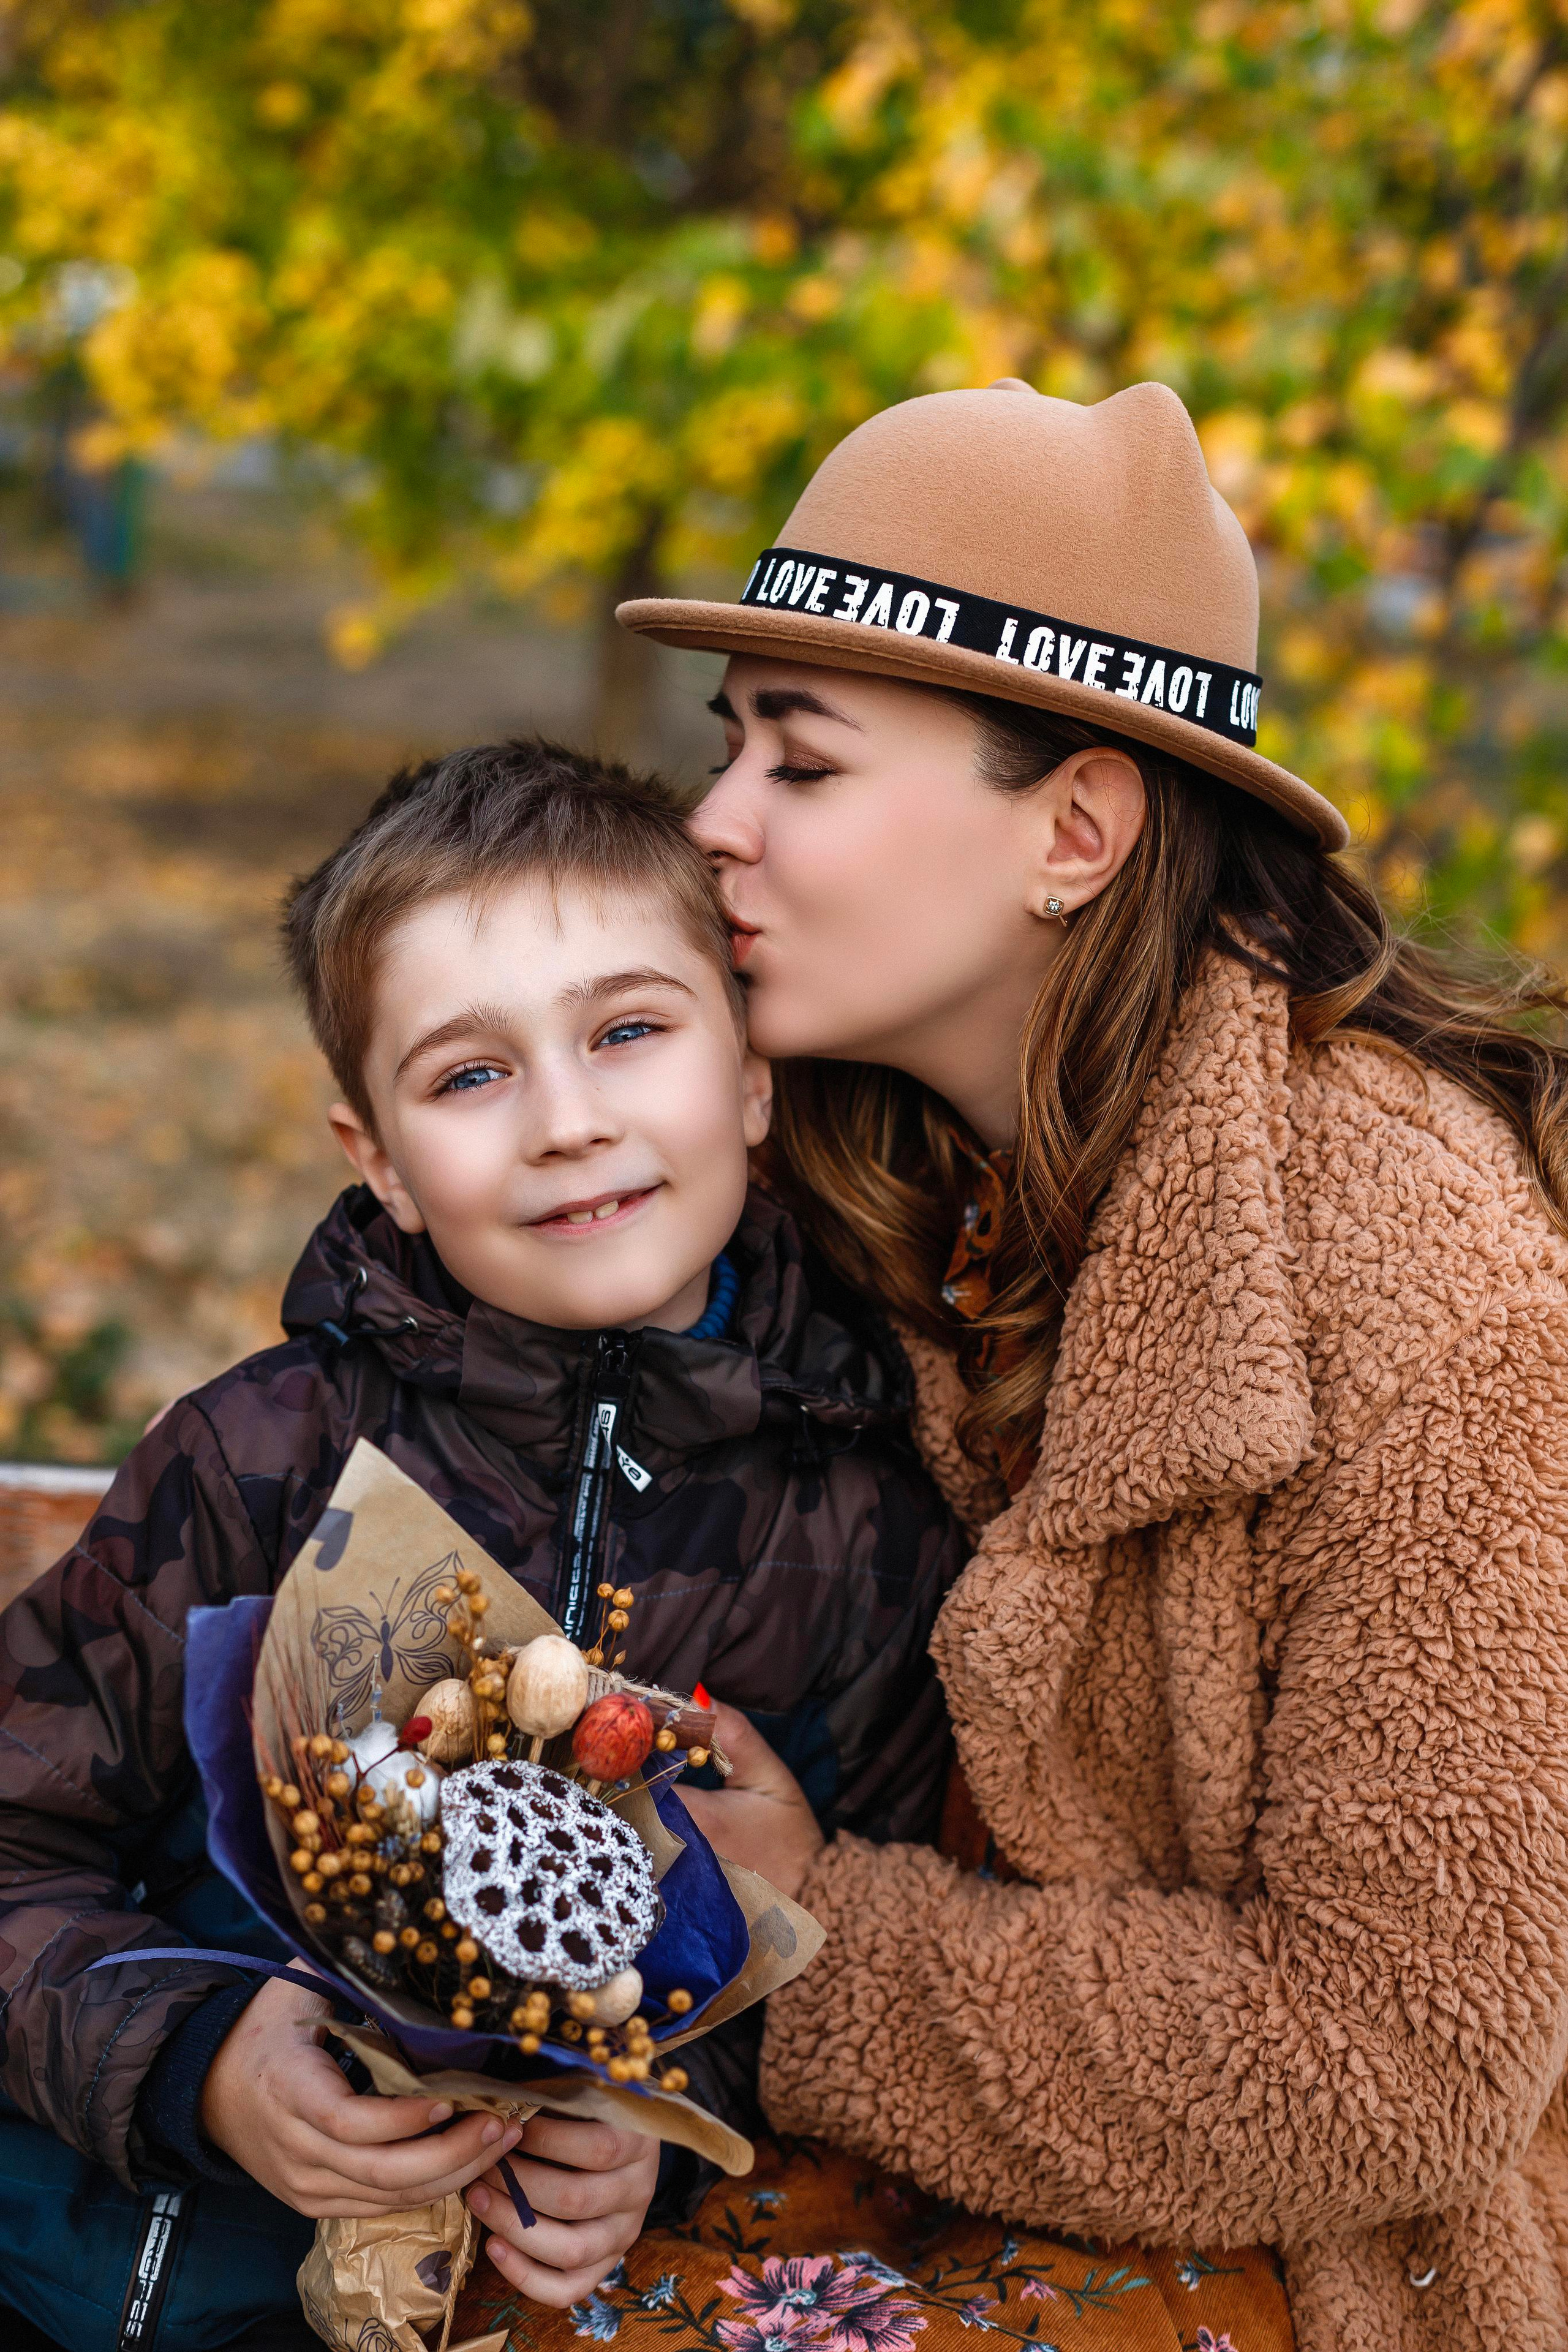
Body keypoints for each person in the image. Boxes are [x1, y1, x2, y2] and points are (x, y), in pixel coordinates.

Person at [531, 380, 1568, 2352]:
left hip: (1320, 2266)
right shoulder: (861, 1166)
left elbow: (1403, 2058)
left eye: (804, 762)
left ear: (1076, 830)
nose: (714, 824)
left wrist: (793, 1944)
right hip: (886, 2156)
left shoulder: (1424, 1283)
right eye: (729, 743)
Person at [0, 740, 965, 2352]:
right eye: (468, 1075)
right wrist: (197, 2060)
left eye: (630, 1032)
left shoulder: (864, 1534)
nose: (569, 1123)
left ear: (749, 1075)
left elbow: (816, 1954)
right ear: (375, 1153)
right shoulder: (258, 1462)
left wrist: (645, 2130)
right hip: (77, 2268)